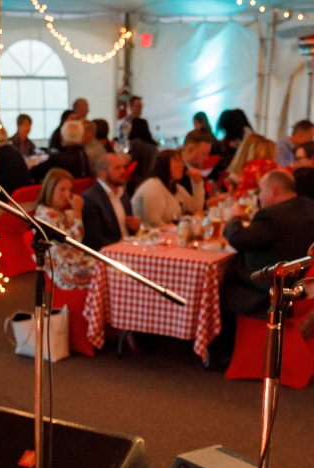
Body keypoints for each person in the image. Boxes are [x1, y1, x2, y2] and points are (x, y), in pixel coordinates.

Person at [208, 169, 314, 367]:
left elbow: (239, 239)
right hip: (304, 284)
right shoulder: (308, 206)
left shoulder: (271, 217)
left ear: (274, 190)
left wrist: (235, 219)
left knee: (220, 289)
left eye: (261, 191)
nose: (258, 196)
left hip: (274, 290)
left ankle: (220, 353)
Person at [35, 168, 96, 289]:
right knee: (109, 272)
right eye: (62, 190)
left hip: (74, 262)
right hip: (65, 271)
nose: (68, 195)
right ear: (50, 189)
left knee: (113, 265)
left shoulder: (58, 212)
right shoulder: (45, 215)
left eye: (70, 190)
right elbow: (74, 242)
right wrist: (77, 212)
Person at [82, 150, 140, 251]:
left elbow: (129, 230)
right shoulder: (90, 199)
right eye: (117, 168)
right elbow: (95, 241)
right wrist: (124, 246)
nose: (123, 171)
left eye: (123, 167)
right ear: (102, 174)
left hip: (128, 249)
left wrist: (135, 227)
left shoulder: (122, 194)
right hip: (109, 254)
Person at [131, 150, 186, 226]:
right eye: (177, 161)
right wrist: (176, 232)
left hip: (165, 235)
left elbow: (194, 207)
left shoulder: (175, 187)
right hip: (147, 236)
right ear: (164, 164)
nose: (182, 165)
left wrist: (198, 183)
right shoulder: (153, 186)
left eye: (182, 161)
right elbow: (154, 222)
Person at [176, 129, 212, 213]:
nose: (206, 158)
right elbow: (184, 208)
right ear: (190, 149)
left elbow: (199, 206)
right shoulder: (176, 171)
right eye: (203, 153)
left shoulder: (196, 171)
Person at [124, 117, 157, 193]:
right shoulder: (153, 145)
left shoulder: (136, 143)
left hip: (139, 182)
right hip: (151, 180)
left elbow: (133, 162)